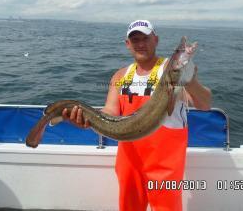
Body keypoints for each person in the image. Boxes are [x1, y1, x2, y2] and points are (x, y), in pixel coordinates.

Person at [62, 20, 212, 211]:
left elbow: (205, 104)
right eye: (135, 40)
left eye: (146, 38)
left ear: (156, 40)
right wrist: (88, 120)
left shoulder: (170, 68)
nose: (141, 44)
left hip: (166, 165)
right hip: (129, 162)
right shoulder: (120, 76)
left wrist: (190, 81)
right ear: (128, 44)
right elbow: (110, 112)